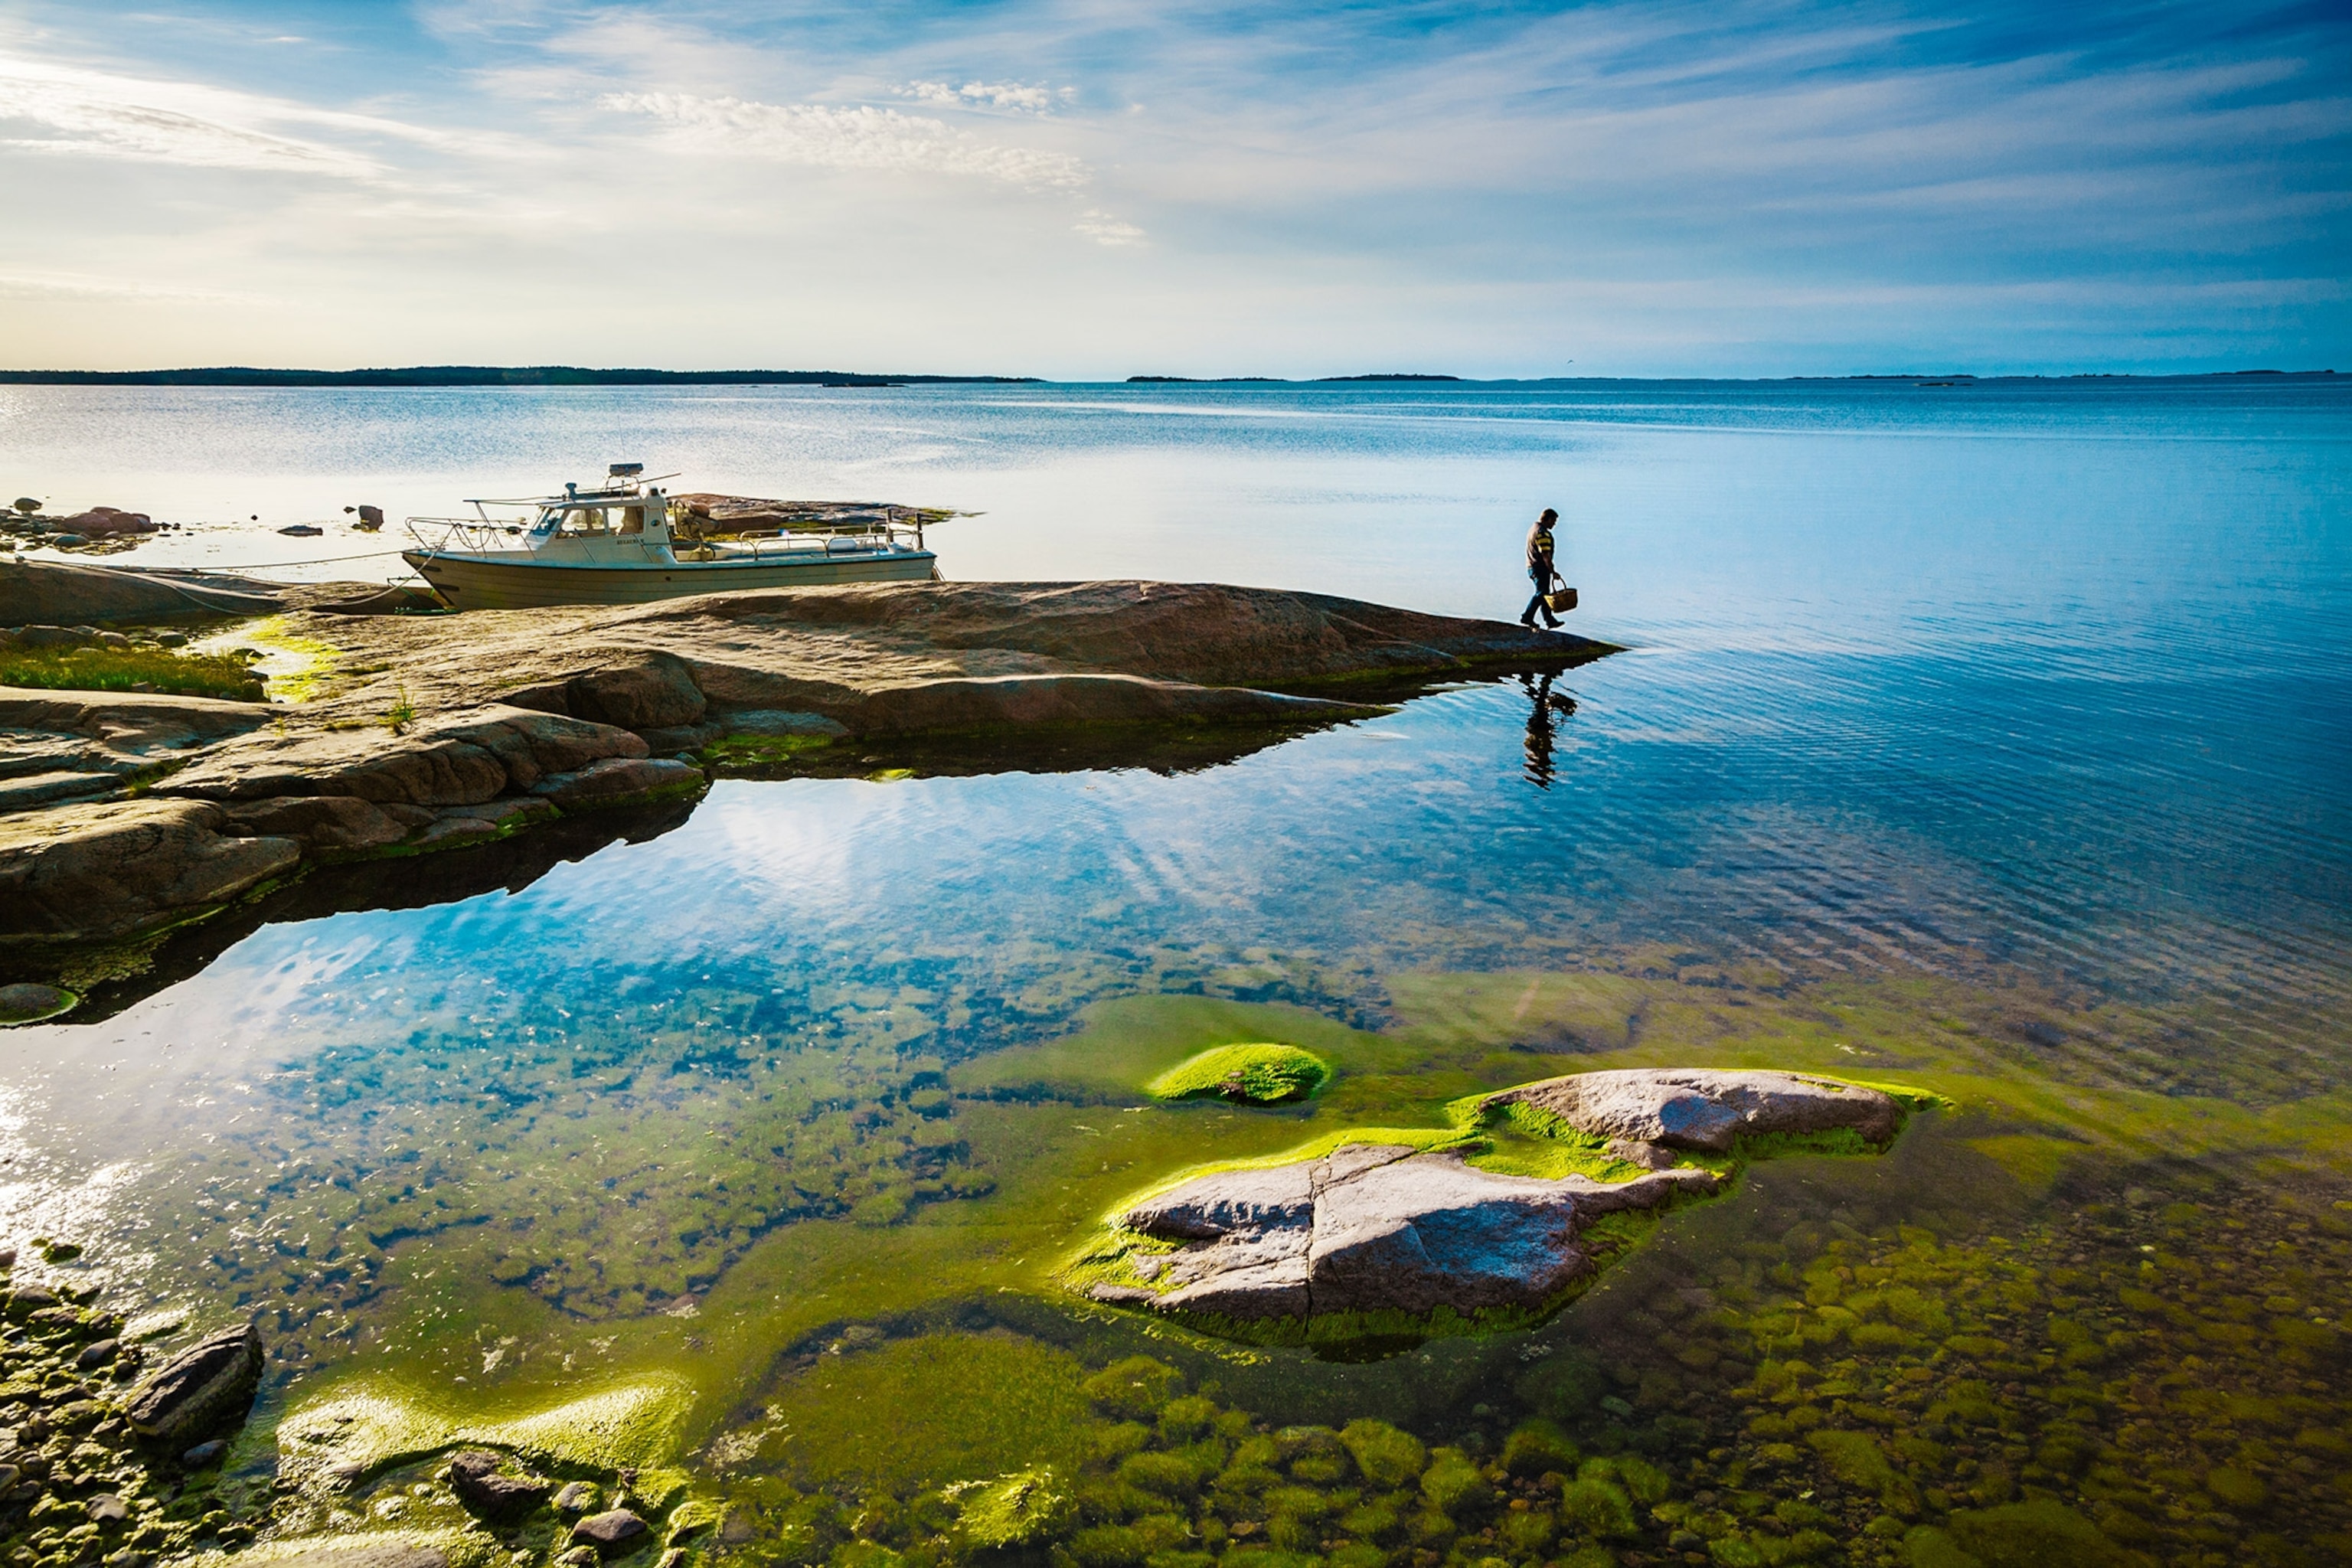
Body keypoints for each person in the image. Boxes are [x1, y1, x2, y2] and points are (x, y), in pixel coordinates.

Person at [1521, 507, 1563, 628]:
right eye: (1553, 521)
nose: (1554, 524)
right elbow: (1546, 555)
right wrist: (1552, 571)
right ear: (1548, 519)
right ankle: (1527, 617)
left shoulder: (1533, 529)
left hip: (1531, 566)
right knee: (1541, 593)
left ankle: (1549, 620)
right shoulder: (1542, 533)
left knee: (1544, 594)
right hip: (1539, 567)